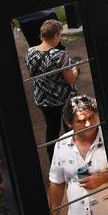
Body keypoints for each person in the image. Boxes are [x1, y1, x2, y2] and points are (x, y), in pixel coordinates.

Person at [26, 19, 79, 159]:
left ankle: (53, 158)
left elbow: (34, 73)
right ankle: (75, 156)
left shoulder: (30, 52)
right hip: (61, 99)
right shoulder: (59, 55)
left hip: (42, 99)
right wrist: (76, 68)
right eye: (59, 35)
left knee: (52, 129)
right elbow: (71, 79)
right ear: (55, 35)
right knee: (70, 127)